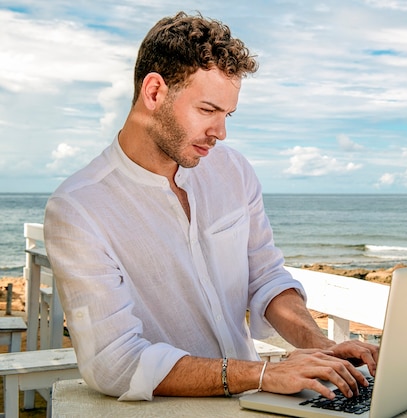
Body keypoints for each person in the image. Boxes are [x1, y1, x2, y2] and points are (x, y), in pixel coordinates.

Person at [44, 11, 378, 401]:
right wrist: (264, 374)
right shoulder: (78, 209)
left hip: (257, 401)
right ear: (154, 92)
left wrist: (318, 345)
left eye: (227, 114)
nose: (221, 132)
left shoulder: (233, 171)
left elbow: (265, 278)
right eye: (207, 111)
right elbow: (113, 363)